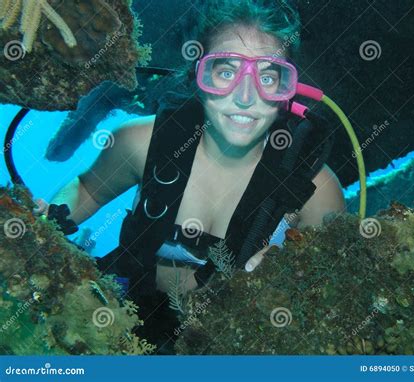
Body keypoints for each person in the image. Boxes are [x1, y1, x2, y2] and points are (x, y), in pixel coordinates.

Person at [34, 0, 346, 352]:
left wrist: (287, 277)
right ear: (198, 75)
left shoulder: (317, 191)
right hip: (126, 322)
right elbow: (88, 189)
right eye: (226, 71)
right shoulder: (141, 142)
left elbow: (332, 295)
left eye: (268, 75)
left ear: (289, 88)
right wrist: (54, 218)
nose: (246, 97)